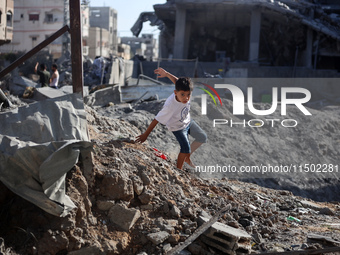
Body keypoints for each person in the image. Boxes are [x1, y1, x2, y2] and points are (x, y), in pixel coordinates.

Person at [135, 68, 207, 169]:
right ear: (175, 92)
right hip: (177, 127)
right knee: (185, 148)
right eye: (183, 95)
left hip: (187, 121)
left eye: (188, 95)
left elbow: (177, 82)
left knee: (202, 137)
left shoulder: (182, 91)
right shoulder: (170, 106)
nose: (186, 98)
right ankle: (179, 170)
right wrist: (145, 135)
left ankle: (187, 157)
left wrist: (167, 74)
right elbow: (156, 119)